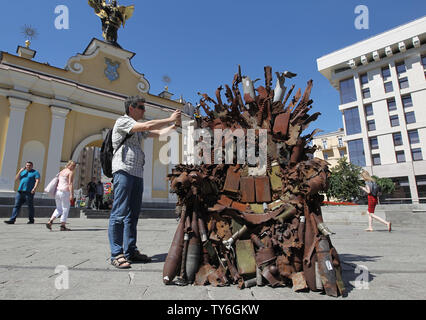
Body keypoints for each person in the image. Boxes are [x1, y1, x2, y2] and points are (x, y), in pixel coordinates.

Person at [108, 95, 181, 269]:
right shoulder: (123, 121)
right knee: (119, 213)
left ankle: (130, 251)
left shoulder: (139, 129)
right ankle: (116, 253)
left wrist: (174, 125)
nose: (144, 110)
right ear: (131, 108)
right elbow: (148, 125)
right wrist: (169, 118)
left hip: (137, 173)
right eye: (141, 107)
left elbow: (159, 133)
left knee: (132, 215)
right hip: (123, 171)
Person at [46, 160, 76, 231]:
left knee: (59, 208)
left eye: (74, 165)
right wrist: (72, 194)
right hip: (65, 192)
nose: (74, 167)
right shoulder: (70, 172)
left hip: (58, 192)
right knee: (65, 208)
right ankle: (63, 226)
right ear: (68, 165)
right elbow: (70, 184)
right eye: (73, 165)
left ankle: (50, 221)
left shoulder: (62, 171)